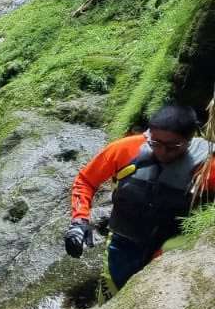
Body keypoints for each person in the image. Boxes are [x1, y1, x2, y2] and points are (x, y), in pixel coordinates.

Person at [68, 104, 213, 293]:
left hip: (173, 244)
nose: (162, 152)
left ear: (190, 139)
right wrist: (79, 220)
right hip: (123, 240)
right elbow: (86, 181)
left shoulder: (207, 165)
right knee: (113, 292)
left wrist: (181, 246)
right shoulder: (125, 149)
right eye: (155, 143)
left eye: (172, 147)